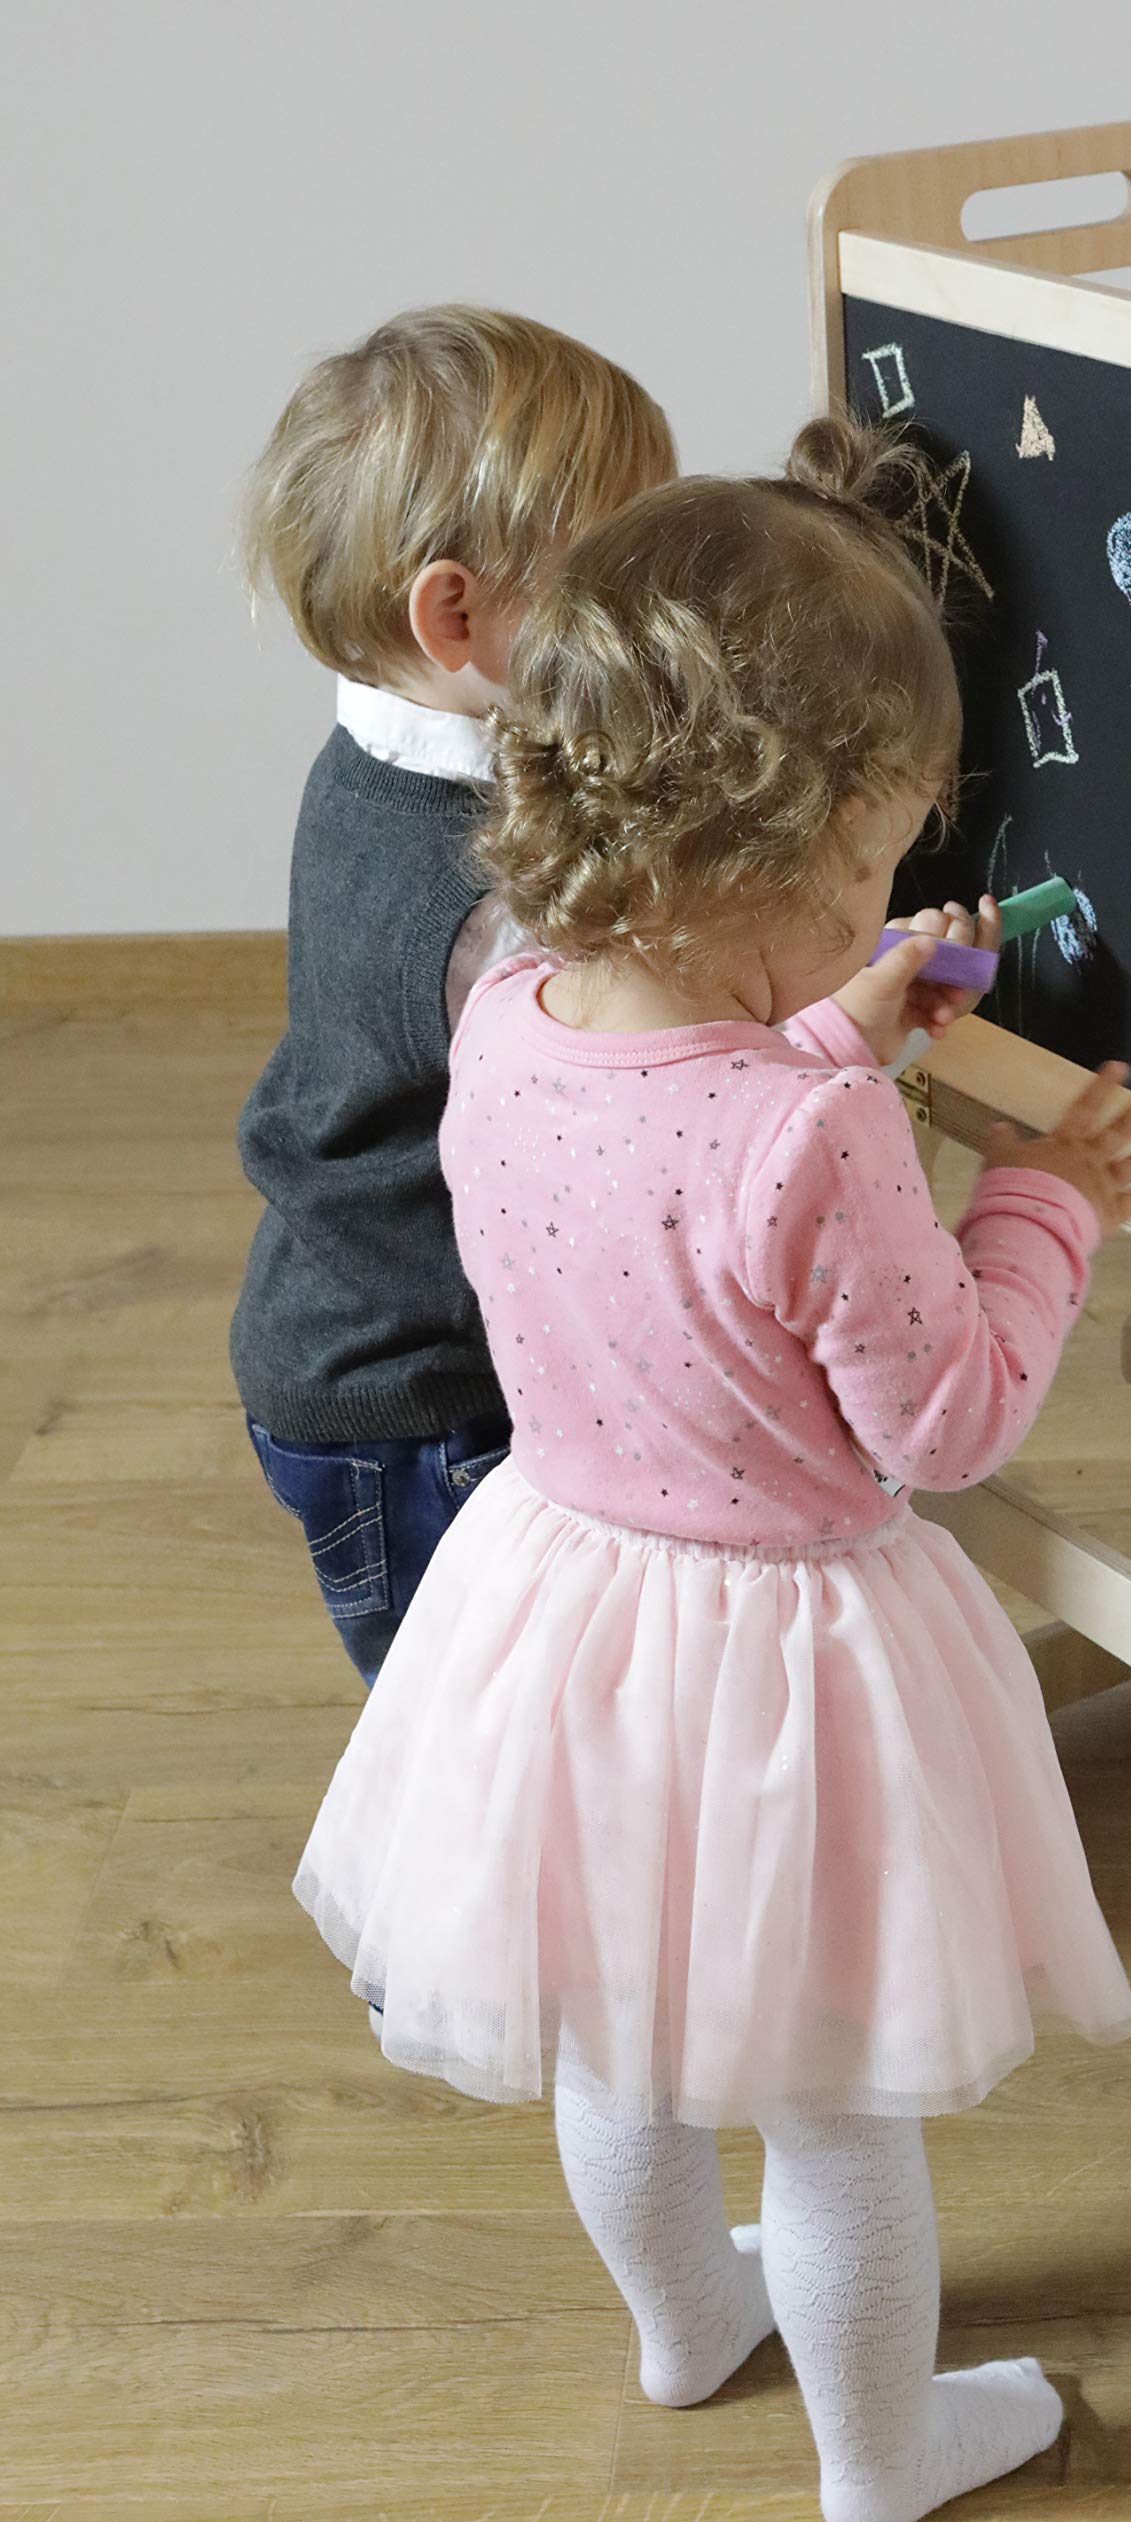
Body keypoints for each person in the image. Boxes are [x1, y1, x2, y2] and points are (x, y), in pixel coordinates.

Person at [292, 415, 1131, 2522]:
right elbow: (947, 1417)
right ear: (758, 859)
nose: (891, 906)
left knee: (620, 2045)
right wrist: (1047, 1200)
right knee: (837, 2106)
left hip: (563, 1611)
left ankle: (690, 2324)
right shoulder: (821, 1139)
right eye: (870, 871)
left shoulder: (507, 1000)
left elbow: (670, 1153)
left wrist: (842, 1010)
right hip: (788, 1667)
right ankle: (887, 2454)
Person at [231, 306, 676, 1681]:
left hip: (355, 1319)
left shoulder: (395, 745)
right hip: (416, 1397)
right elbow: (625, 1083)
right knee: (473, 1719)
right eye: (620, 583)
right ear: (458, 614)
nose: (662, 614)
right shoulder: (482, 897)